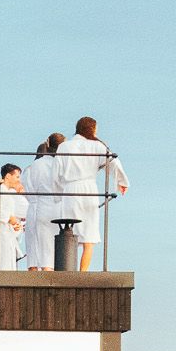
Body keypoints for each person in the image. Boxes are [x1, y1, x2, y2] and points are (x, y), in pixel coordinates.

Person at [53, 116, 128, 271]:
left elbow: (56, 173)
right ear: (92, 129)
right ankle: (83, 272)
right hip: (88, 189)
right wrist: (122, 182)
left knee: (69, 229)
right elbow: (113, 161)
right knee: (89, 237)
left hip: (70, 191)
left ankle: (68, 270)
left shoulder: (64, 147)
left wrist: (57, 195)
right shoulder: (97, 146)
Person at [20, 133, 65, 269]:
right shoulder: (62, 165)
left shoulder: (33, 167)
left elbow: (27, 188)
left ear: (48, 143)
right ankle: (49, 271)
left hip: (38, 205)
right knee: (52, 245)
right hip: (58, 206)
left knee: (36, 244)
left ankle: (35, 271)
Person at [0, 163, 26, 270]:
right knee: (5, 263)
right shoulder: (2, 190)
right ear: (8, 176)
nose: (19, 180)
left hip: (8, 232)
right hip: (3, 233)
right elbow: (3, 212)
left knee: (8, 262)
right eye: (17, 177)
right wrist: (12, 220)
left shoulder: (9, 192)